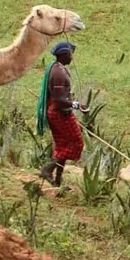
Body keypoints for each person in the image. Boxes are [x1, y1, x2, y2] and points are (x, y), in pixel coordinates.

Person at [38, 40, 83, 186]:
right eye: (70, 54)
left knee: (63, 145)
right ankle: (47, 169)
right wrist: (76, 105)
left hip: (57, 112)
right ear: (63, 55)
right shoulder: (58, 73)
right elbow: (58, 99)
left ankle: (57, 181)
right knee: (76, 143)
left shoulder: (58, 68)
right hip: (59, 114)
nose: (72, 57)